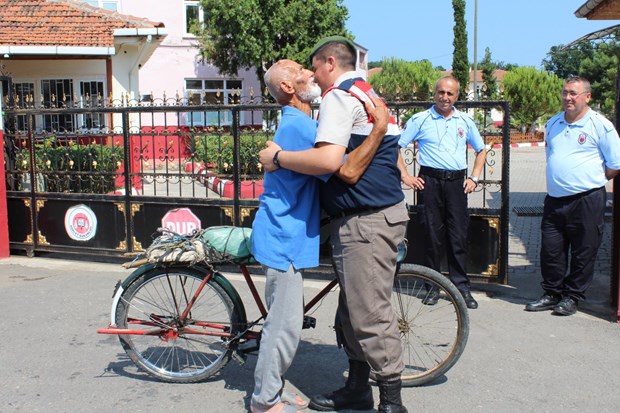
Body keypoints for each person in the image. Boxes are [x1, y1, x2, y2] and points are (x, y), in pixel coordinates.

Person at [259, 36, 409, 413]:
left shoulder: (338, 98)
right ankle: (353, 389)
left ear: (329, 63)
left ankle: (391, 403)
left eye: (311, 66)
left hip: (364, 222)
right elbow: (350, 160)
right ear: (287, 86)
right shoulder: (357, 94)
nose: (311, 73)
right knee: (351, 312)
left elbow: (337, 165)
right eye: (301, 70)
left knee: (367, 313)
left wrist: (277, 157)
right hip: (331, 226)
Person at [525, 76, 620, 316]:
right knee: (551, 250)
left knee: (583, 252)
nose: (567, 97)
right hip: (555, 200)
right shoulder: (553, 123)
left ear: (587, 97)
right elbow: (552, 155)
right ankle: (552, 293)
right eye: (565, 92)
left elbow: (614, 165)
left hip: (587, 200)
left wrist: (590, 180)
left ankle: (572, 297)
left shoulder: (601, 125)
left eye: (573, 93)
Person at [397, 76, 487, 310]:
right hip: (430, 183)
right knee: (431, 237)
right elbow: (396, 147)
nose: (445, 97)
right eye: (441, 92)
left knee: (458, 237)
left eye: (450, 93)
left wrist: (474, 178)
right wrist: (405, 176)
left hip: (456, 184)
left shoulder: (465, 121)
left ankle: (461, 288)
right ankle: (432, 287)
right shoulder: (420, 120)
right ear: (435, 93)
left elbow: (481, 150)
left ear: (457, 96)